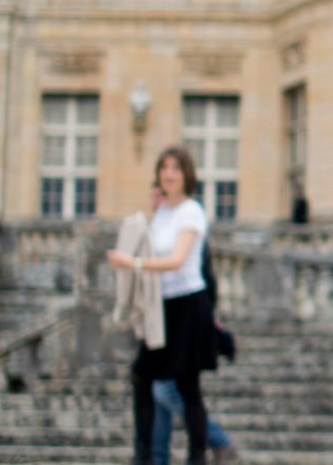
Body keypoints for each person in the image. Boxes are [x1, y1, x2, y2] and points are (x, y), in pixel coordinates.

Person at [108, 148, 220, 465]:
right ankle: (143, 454)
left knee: (187, 385)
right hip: (163, 307)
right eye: (164, 168)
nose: (169, 174)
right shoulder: (163, 214)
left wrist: (133, 263)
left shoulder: (191, 211)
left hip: (189, 304)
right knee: (142, 375)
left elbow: (176, 260)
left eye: (175, 168)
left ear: (186, 175)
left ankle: (196, 456)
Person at [142, 181, 239, 465]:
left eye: (159, 195)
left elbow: (204, 278)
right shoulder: (159, 229)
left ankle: (217, 440)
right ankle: (159, 457)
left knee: (165, 388)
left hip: (184, 321)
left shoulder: (184, 227)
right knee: (159, 390)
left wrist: (210, 317)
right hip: (161, 319)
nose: (154, 200)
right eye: (153, 195)